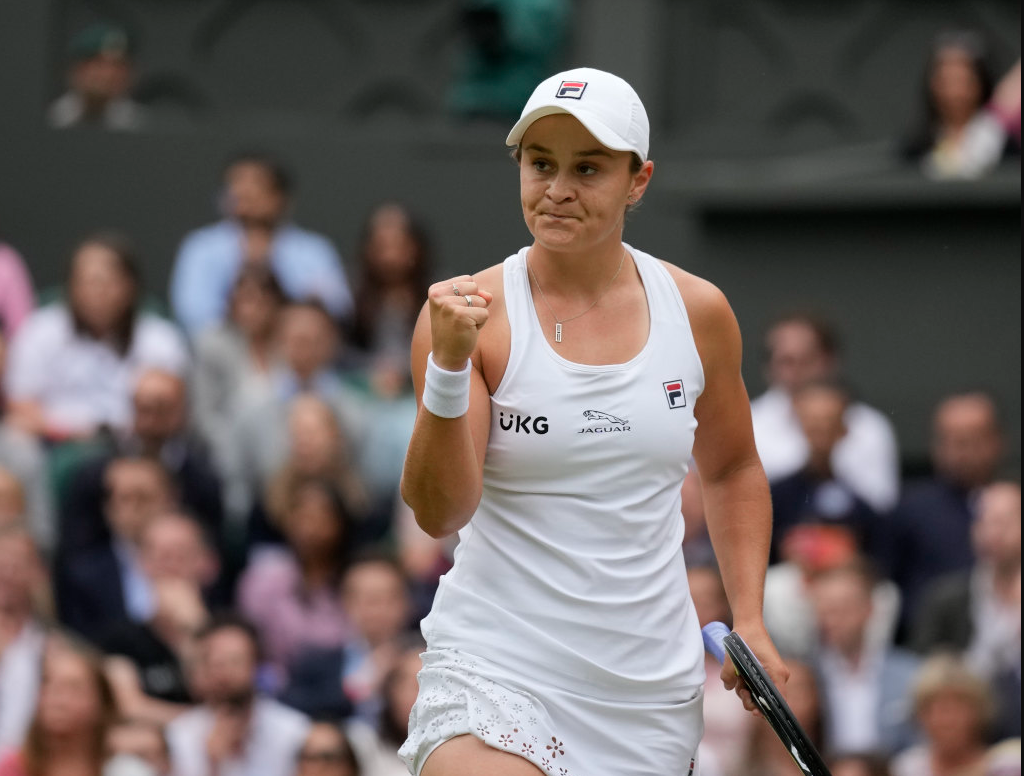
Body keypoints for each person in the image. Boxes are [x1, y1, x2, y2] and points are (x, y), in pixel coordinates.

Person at [398, 67, 786, 775]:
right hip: (495, 663)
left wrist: (751, 617)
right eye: (540, 164)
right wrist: (448, 371)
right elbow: (440, 510)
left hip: (646, 695)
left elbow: (731, 468)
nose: (557, 189)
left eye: (588, 168)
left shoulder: (699, 312)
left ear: (638, 180)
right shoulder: (463, 316)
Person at [3, 232, 189, 442]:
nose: (96, 293)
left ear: (130, 286)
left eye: (106, 282)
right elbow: (20, 406)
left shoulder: (161, 338)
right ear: (69, 287)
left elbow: (173, 413)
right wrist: (77, 433)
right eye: (87, 282)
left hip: (136, 445)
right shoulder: (39, 331)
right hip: (52, 443)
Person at [169, 152, 353, 337]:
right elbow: (193, 314)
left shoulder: (314, 250)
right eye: (236, 184)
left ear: (281, 197)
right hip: (224, 349)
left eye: (256, 184)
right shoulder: (200, 247)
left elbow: (338, 307)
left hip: (294, 350)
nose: (244, 191)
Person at [749, 312, 900, 514]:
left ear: (829, 360)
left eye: (805, 359)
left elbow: (882, 505)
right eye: (785, 361)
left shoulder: (870, 426)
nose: (794, 371)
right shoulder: (746, 423)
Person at [911, 480, 1021, 740]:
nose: (994, 533)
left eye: (1005, 522)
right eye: (985, 522)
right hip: (965, 734)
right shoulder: (946, 598)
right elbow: (924, 668)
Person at [887, 391, 1006, 631]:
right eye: (949, 440)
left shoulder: (1013, 503)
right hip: (931, 648)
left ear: (997, 442)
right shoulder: (910, 509)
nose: (959, 452)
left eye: (970, 440)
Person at [164, 614, 310, 776]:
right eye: (217, 663)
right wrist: (212, 765)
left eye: (236, 661)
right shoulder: (181, 736)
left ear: (256, 664)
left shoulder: (294, 732)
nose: (226, 673)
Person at [902, 31, 1019, 179]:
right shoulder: (916, 147)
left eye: (963, 80)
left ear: (980, 82)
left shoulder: (1003, 143)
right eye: (946, 81)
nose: (955, 92)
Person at [0, 634, 119, 776]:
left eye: (73, 687)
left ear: (101, 701)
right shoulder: (8, 768)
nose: (57, 699)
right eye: (47, 683)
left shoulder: (124, 770)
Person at [48, 23, 146, 131]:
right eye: (98, 64)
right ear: (78, 70)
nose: (108, 74)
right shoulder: (54, 119)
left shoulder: (138, 123)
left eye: (118, 66)